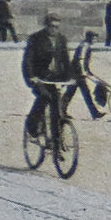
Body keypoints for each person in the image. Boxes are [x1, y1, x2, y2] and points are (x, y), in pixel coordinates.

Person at [22, 12, 71, 141]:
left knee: (56, 108)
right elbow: (28, 60)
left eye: (56, 26)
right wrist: (31, 77)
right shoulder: (36, 38)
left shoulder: (61, 39)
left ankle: (56, 141)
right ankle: (32, 124)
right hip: (39, 77)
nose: (54, 29)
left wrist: (70, 76)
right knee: (44, 96)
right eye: (51, 26)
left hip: (54, 78)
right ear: (46, 26)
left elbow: (66, 60)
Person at [63, 31, 105, 120]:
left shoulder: (85, 45)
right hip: (77, 73)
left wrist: (88, 71)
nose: (95, 40)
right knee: (84, 93)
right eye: (94, 38)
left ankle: (61, 110)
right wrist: (83, 72)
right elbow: (80, 59)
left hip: (77, 73)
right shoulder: (85, 45)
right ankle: (94, 113)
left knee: (70, 93)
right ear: (90, 38)